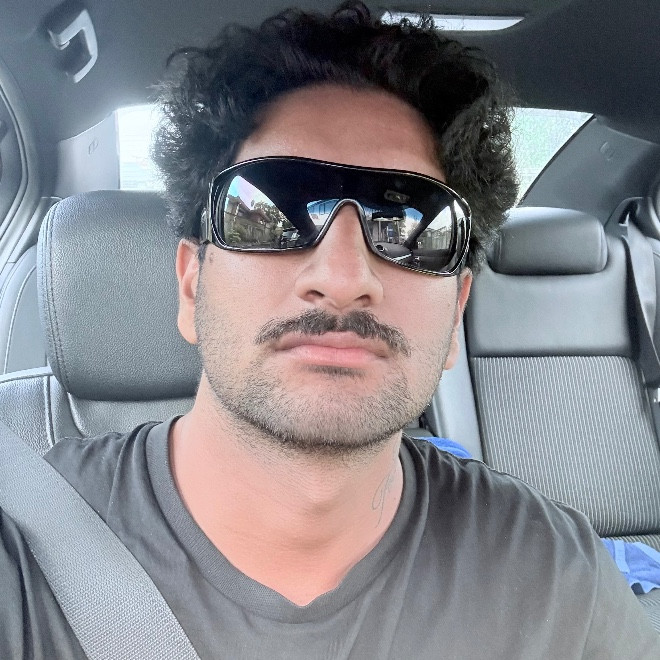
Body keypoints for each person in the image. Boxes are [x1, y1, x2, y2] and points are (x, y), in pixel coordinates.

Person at [1, 2, 659, 658]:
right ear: (192, 283)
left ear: (456, 310)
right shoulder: (25, 554)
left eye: (412, 228)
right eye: (272, 212)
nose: (343, 277)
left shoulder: (559, 587)